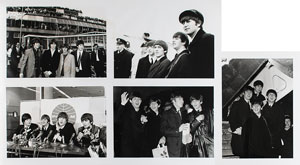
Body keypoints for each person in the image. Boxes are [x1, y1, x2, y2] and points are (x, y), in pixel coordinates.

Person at [179, 9, 214, 78]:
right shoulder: (192, 44)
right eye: (183, 23)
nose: (185, 25)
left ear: (198, 23)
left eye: (188, 21)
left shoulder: (207, 39)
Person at [116, 92, 145, 157]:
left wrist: (143, 123)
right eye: (135, 99)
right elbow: (117, 119)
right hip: (127, 148)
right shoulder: (126, 112)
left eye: (139, 99)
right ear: (130, 101)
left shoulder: (143, 113)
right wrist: (122, 104)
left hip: (139, 148)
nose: (137, 101)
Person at [160, 92, 189, 157]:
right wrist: (178, 130)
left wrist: (189, 134)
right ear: (173, 101)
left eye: (182, 99)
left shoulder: (184, 112)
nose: (182, 101)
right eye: (179, 99)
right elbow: (163, 130)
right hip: (173, 149)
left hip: (185, 147)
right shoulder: (166, 113)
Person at [228, 86, 253, 157]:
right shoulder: (237, 103)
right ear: (243, 93)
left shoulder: (253, 105)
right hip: (239, 135)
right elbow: (231, 118)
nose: (249, 94)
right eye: (247, 92)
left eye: (250, 92)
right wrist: (236, 129)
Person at [261, 89, 284, 157]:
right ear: (267, 97)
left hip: (276, 137)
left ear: (276, 97)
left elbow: (281, 122)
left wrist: (276, 133)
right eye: (270, 94)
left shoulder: (279, 108)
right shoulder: (262, 109)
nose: (271, 96)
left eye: (273, 95)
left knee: (275, 156)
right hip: (265, 138)